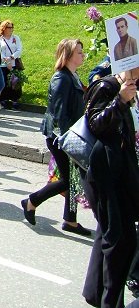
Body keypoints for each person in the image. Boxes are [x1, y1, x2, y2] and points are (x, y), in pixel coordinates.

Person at [81, 68, 139, 308]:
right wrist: (120, 101)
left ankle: (96, 293)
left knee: (115, 236)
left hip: (124, 171)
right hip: (106, 173)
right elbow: (95, 124)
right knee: (119, 241)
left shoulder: (132, 88)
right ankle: (110, 302)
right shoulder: (106, 86)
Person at [22, 39, 91, 235]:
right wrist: (70, 139)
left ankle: (70, 220)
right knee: (70, 179)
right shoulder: (61, 78)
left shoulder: (73, 76)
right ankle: (31, 201)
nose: (82, 55)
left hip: (69, 134)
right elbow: (60, 114)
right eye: (78, 52)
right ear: (68, 55)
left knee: (73, 177)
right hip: (60, 135)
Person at [0, 19, 23, 109]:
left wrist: (12, 57)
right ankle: (3, 100)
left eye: (12, 27)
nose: (11, 29)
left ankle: (15, 100)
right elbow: (0, 52)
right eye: (9, 27)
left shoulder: (15, 38)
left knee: (15, 82)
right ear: (4, 28)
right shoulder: (0, 39)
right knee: (4, 82)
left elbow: (19, 50)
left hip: (14, 63)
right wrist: (6, 61)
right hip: (4, 64)